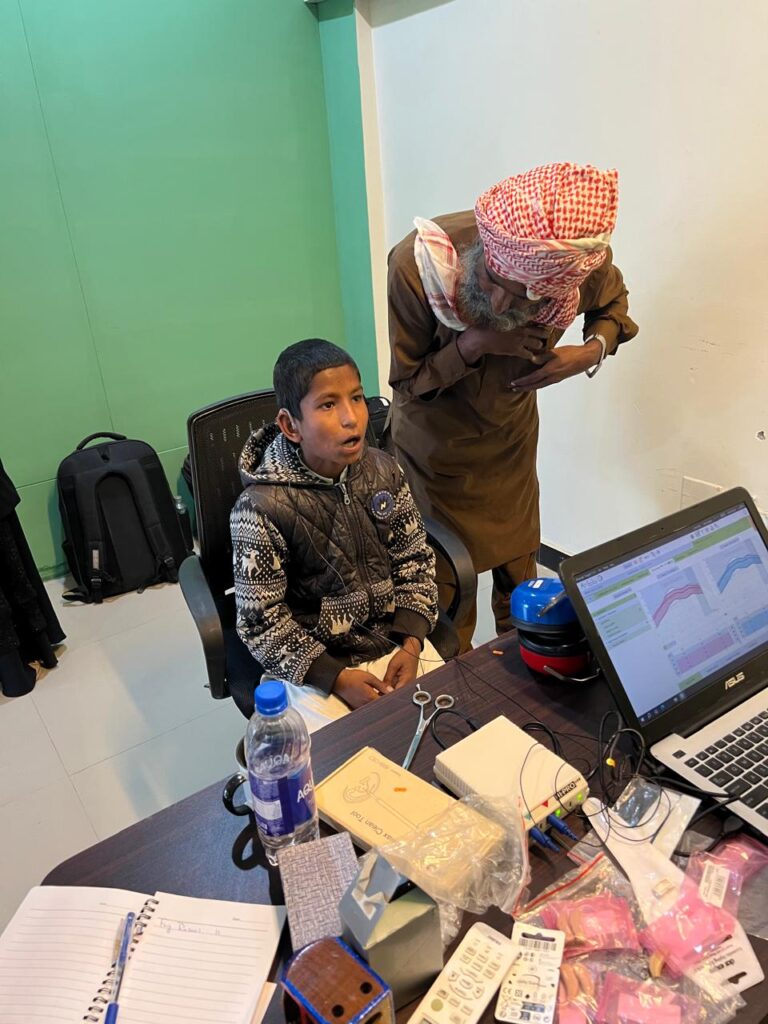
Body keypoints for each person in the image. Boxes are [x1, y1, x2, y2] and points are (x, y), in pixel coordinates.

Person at [387, 162, 639, 651]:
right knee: (445, 605)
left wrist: (588, 354)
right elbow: (408, 381)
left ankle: (525, 682)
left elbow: (613, 305)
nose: (501, 305)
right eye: (492, 280)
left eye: (524, 298)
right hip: (436, 458)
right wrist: (474, 344)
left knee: (527, 601)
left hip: (511, 450)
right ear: (484, 250)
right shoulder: (417, 267)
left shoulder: (573, 264)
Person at [231, 338, 440, 731]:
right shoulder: (261, 507)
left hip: (395, 640)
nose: (351, 418)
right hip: (317, 666)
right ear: (290, 425)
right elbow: (261, 622)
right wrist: (335, 678)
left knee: (448, 732)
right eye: (328, 405)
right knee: (351, 759)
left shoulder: (384, 471)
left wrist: (411, 641)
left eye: (357, 398)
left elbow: (415, 561)